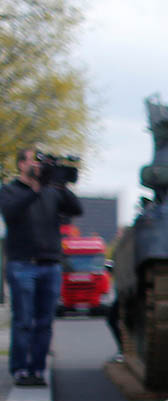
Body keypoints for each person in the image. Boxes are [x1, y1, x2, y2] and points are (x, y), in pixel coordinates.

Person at [0, 147, 83, 385]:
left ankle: (37, 369)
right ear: (21, 165)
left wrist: (61, 184)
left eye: (41, 162)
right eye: (33, 161)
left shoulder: (52, 192)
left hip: (50, 264)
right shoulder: (9, 191)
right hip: (23, 264)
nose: (38, 166)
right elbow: (10, 213)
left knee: (45, 321)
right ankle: (20, 370)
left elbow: (76, 209)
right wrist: (36, 190)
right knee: (24, 320)